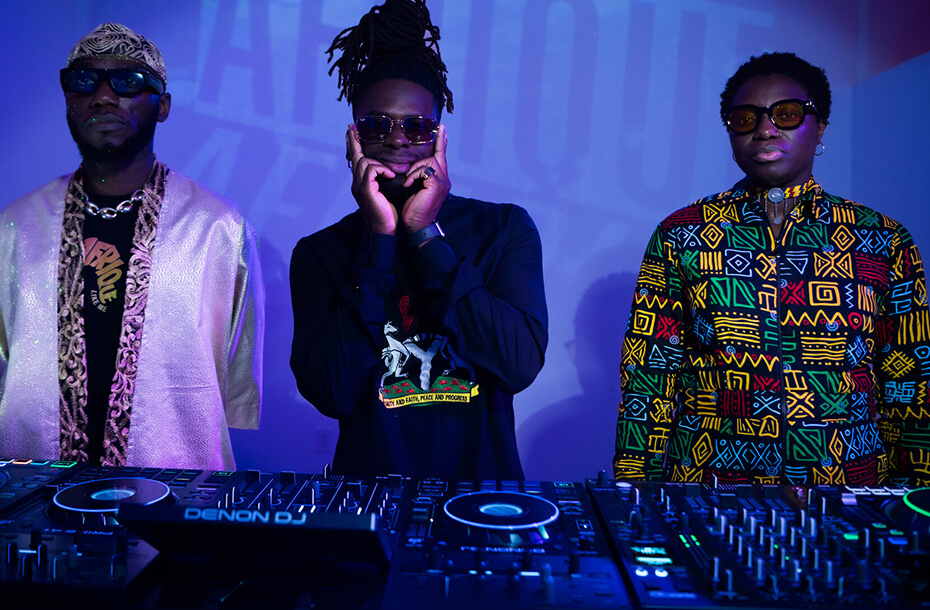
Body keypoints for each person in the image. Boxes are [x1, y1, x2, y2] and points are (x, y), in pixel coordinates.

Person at [614, 52, 930, 487]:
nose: (765, 128)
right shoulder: (681, 234)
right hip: (712, 493)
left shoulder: (882, 240)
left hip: (848, 491)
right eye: (745, 118)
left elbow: (910, 380)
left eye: (786, 114)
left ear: (819, 127)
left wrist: (915, 498)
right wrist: (634, 495)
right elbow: (649, 376)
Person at [290, 0, 547, 480]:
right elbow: (331, 391)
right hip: (366, 508)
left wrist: (426, 235)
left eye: (416, 126)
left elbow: (519, 365)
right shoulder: (320, 253)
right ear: (353, 139)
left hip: (481, 504)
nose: (398, 138)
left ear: (439, 136)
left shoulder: (504, 229)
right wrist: (380, 240)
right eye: (377, 125)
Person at [0, 23, 264, 470]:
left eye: (127, 82)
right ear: (67, 97)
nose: (102, 96)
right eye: (83, 81)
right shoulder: (15, 228)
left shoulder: (218, 228)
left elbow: (237, 361)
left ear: (162, 105)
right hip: (31, 488)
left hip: (173, 484)